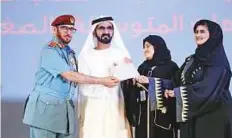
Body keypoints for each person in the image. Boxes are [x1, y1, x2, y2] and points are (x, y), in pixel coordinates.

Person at [22, 14, 119, 138]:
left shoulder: (70, 52)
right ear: (54, 29)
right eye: (64, 28)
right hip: (44, 113)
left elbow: (79, 76)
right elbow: (70, 75)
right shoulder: (49, 50)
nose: (68, 32)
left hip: (64, 112)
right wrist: (102, 81)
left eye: (71, 29)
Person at [165, 19, 232, 138]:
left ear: (213, 35)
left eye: (202, 32)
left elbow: (208, 87)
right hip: (192, 115)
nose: (198, 35)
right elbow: (177, 81)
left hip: (213, 116)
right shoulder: (191, 60)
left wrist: (178, 92)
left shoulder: (218, 61)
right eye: (196, 32)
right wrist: (155, 84)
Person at [77, 16, 132, 138]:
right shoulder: (85, 56)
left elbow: (129, 81)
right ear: (94, 31)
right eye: (101, 28)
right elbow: (82, 85)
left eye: (109, 28)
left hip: (117, 106)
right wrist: (102, 82)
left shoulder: (121, 53)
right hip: (94, 106)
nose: (106, 31)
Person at [123, 35, 179, 138]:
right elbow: (132, 90)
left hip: (162, 119)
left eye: (148, 46)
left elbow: (175, 86)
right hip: (143, 117)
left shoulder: (171, 67)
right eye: (144, 47)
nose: (145, 50)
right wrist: (129, 76)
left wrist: (150, 81)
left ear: (157, 47)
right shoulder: (142, 67)